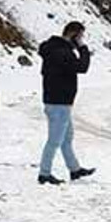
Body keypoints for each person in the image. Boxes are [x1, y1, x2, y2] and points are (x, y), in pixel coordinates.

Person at [37, 21, 94, 185]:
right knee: (54, 140)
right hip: (59, 103)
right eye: (80, 36)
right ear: (73, 35)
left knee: (66, 138)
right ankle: (44, 173)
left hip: (59, 102)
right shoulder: (62, 52)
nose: (81, 40)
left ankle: (74, 169)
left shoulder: (55, 48)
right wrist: (83, 48)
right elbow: (82, 67)